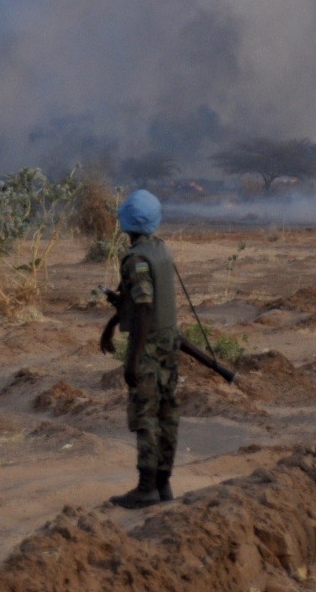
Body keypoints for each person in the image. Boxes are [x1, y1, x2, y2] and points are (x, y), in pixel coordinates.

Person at [99, 188, 181, 508]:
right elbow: (136, 302)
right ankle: (163, 485)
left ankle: (147, 488)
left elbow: (144, 307)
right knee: (167, 412)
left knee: (146, 416)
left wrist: (132, 358)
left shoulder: (136, 260)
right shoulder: (161, 250)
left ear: (127, 222)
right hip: (170, 343)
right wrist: (111, 325)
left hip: (149, 347)